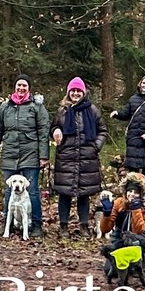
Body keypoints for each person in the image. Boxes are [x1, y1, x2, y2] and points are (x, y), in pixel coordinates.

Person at [0, 76, 51, 237]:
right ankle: (7, 224)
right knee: (9, 191)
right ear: (14, 87)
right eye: (18, 85)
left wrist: (44, 156)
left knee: (33, 191)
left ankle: (36, 225)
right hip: (9, 154)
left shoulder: (36, 106)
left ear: (29, 88)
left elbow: (44, 131)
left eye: (24, 85)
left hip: (31, 154)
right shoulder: (5, 107)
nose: (21, 88)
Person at [50, 78, 107, 237]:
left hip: (87, 158)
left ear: (83, 92)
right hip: (66, 158)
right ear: (69, 92)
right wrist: (55, 131)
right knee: (64, 193)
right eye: (73, 91)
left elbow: (102, 130)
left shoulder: (93, 110)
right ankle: (63, 226)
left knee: (84, 194)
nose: (75, 93)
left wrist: (96, 146)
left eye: (78, 91)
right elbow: (53, 127)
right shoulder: (62, 110)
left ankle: (83, 226)